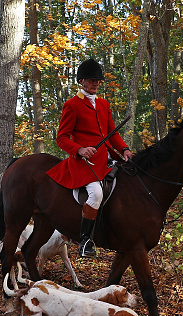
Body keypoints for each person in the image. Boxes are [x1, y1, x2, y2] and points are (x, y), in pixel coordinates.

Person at [47, 58, 134, 258]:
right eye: (92, 80)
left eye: (98, 80)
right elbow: (61, 138)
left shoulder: (104, 104)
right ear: (82, 81)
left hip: (105, 158)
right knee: (95, 192)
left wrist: (125, 149)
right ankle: (85, 240)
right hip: (84, 163)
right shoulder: (72, 105)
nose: (96, 83)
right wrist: (80, 150)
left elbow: (113, 134)